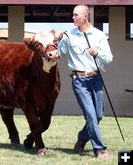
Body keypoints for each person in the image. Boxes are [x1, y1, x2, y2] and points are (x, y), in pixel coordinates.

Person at [58, 5, 113, 158]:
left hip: (96, 78)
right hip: (79, 80)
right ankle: (99, 149)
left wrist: (98, 53)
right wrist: (52, 44)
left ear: (85, 17)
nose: (73, 17)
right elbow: (59, 53)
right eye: (73, 15)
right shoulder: (68, 35)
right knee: (90, 114)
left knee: (99, 114)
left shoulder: (99, 35)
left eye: (76, 15)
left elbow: (109, 58)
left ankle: (82, 138)